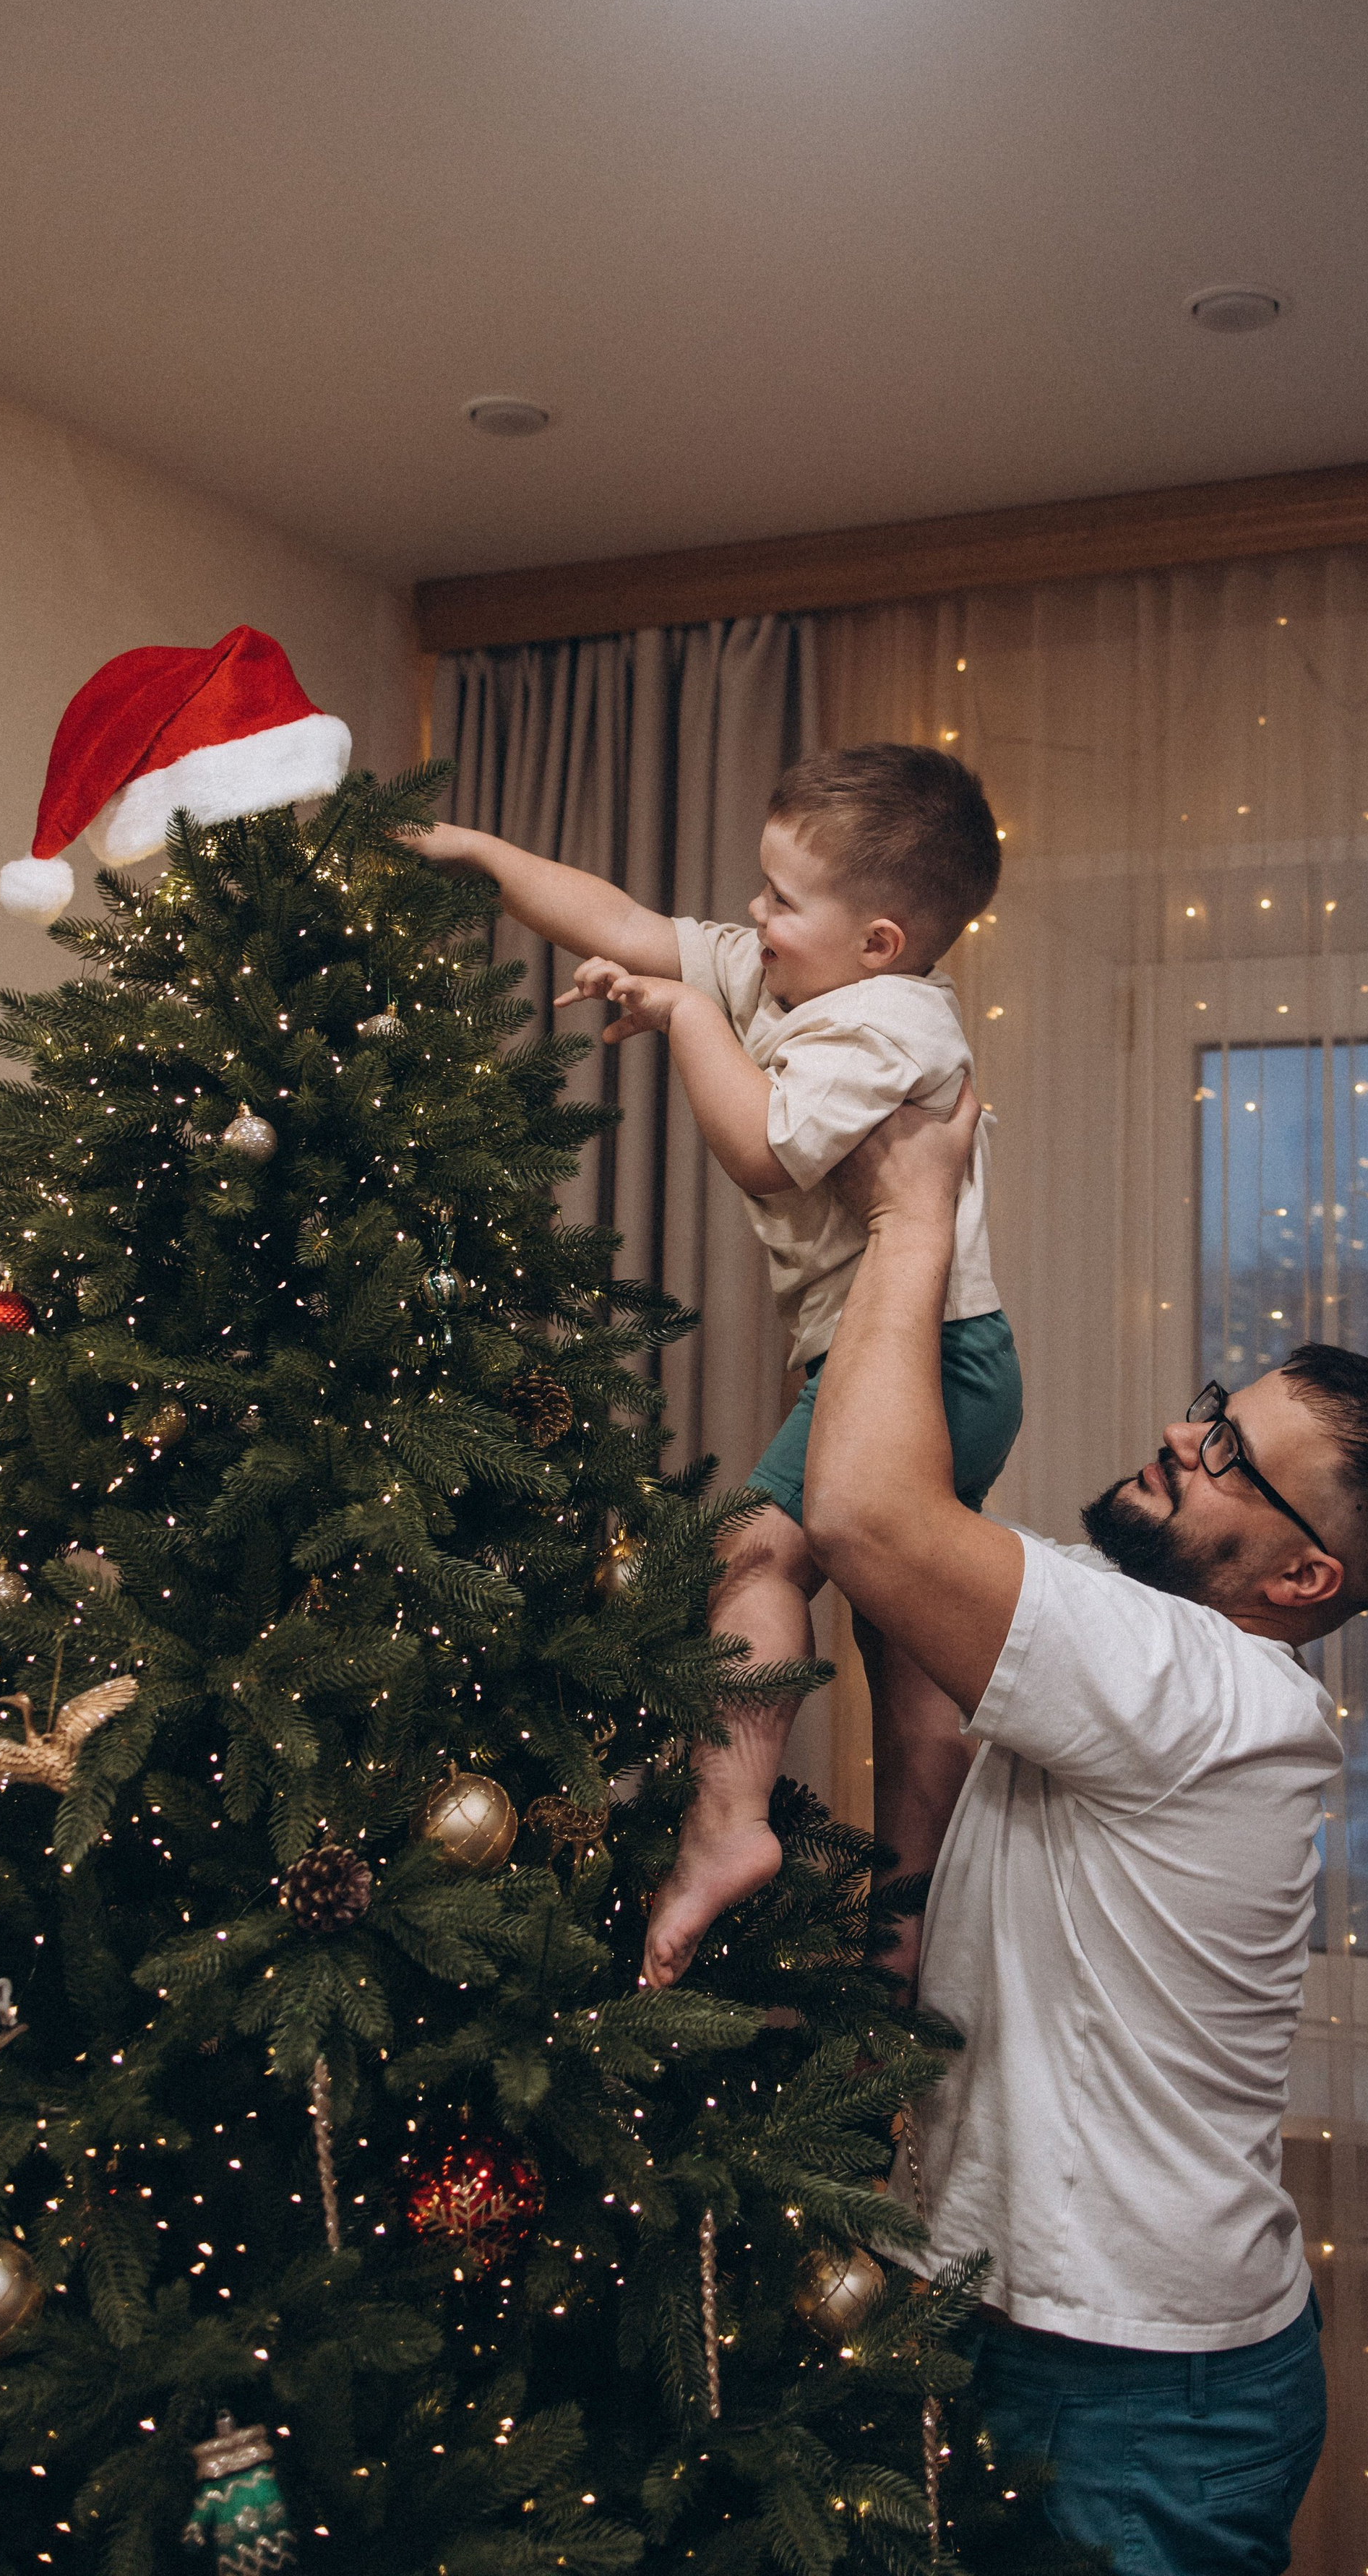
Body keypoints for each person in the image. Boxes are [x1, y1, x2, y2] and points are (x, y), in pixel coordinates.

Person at [803, 1085, 1368, 2576]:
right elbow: (920, 1666)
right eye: (1217, 1403)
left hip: (1135, 2388)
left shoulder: (1199, 1684)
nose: (1184, 1431)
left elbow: (863, 1514)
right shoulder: (1140, 1645)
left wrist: (913, 1207)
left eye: (1232, 1453)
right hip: (1012, 2318)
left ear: (1301, 1581)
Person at [399, 746, 1020, 1989]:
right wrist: (480, 856)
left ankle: (726, 1825)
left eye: (784, 900)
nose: (754, 916)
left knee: (754, 1550)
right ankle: (903, 1919)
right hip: (912, 1356)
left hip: (924, 1357)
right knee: (909, 1645)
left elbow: (762, 1150)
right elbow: (623, 919)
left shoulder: (888, 1021)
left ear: (882, 939)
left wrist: (682, 1015)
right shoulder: (805, 980)